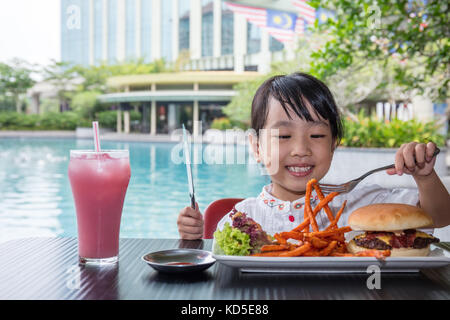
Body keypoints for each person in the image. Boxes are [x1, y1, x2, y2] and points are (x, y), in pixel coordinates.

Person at [177, 72, 450, 239]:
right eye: (283, 136)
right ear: (257, 147)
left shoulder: (362, 203)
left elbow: (438, 217)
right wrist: (193, 239)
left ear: (334, 144)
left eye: (317, 136)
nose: (301, 150)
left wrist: (425, 178)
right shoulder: (241, 219)